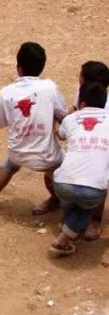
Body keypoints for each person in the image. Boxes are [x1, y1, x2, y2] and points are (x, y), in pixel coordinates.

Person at [0, 42, 68, 215]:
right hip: (48, 157)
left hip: (18, 153)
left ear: (19, 68)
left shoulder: (5, 93)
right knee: (63, 165)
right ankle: (57, 199)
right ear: (41, 67)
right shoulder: (50, 87)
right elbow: (62, 114)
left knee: (8, 164)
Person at [48, 82, 109, 257]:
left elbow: (61, 135)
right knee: (88, 204)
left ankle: (69, 223)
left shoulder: (71, 119)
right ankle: (63, 239)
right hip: (92, 190)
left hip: (61, 184)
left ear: (82, 103)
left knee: (73, 198)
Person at [73, 60, 109, 239]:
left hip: (102, 147)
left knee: (99, 175)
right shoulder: (81, 92)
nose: (78, 78)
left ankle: (95, 220)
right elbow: (74, 110)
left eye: (81, 76)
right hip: (86, 142)